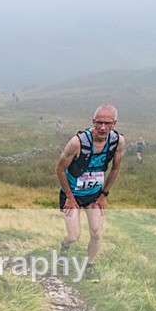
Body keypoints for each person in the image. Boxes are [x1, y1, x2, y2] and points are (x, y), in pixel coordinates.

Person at [56, 104, 125, 283]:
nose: (103, 127)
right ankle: (63, 249)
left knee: (96, 233)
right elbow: (60, 169)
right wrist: (70, 197)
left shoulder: (118, 142)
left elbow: (115, 169)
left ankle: (89, 267)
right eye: (99, 123)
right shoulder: (77, 142)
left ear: (114, 124)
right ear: (93, 122)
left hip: (94, 194)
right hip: (73, 194)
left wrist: (104, 195)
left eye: (108, 123)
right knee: (74, 236)